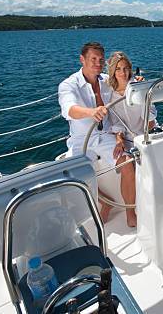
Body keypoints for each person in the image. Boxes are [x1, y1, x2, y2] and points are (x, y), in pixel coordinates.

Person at [58, 42, 130, 225]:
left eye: (100, 59)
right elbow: (69, 109)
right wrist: (90, 112)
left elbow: (123, 87)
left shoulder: (107, 81)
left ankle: (131, 215)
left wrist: (135, 82)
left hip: (106, 135)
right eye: (93, 59)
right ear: (82, 59)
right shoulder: (69, 85)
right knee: (72, 177)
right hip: (82, 139)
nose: (98, 63)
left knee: (128, 163)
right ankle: (105, 203)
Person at [106, 51, 157, 227]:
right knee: (127, 163)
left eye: (126, 68)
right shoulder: (109, 94)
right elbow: (115, 122)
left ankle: (156, 206)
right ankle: (130, 213)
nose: (123, 73)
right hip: (125, 140)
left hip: (145, 134)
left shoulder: (139, 89)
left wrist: (146, 140)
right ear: (113, 71)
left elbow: (150, 118)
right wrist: (119, 140)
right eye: (119, 69)